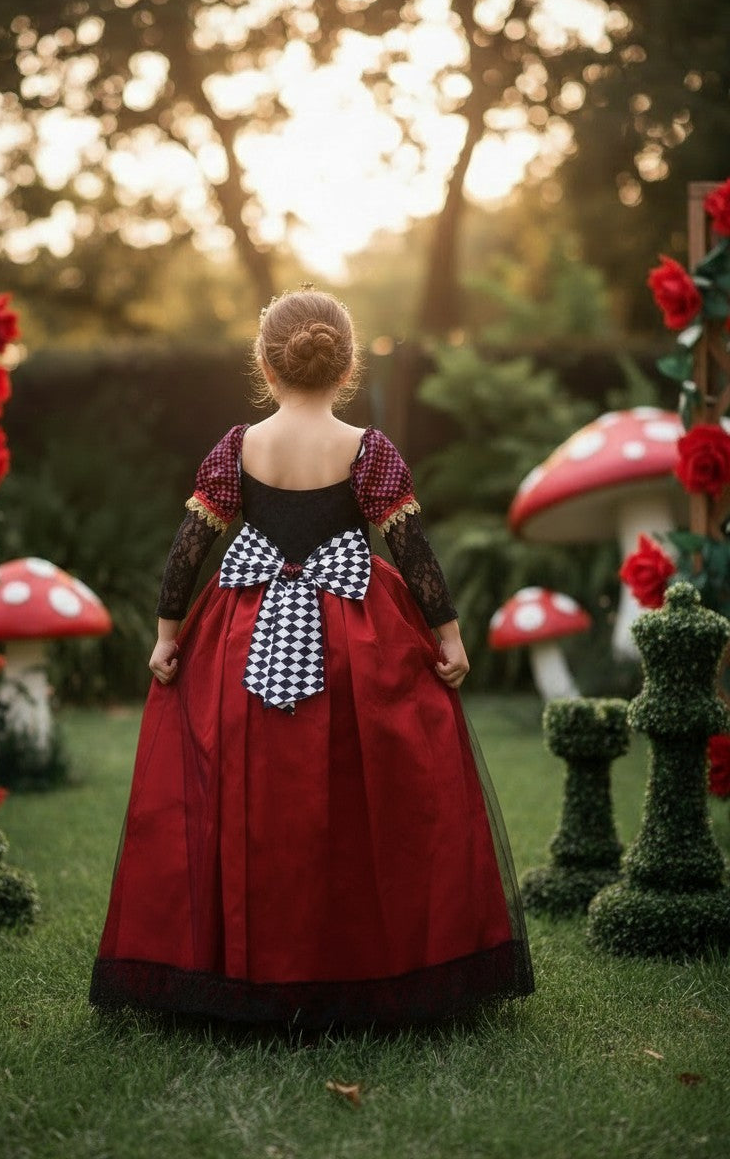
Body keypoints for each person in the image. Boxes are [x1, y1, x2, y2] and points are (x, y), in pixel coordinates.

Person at [89, 288, 534, 1028]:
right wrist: (448, 635)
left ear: (265, 363)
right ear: (347, 365)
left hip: (244, 628)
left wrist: (168, 634)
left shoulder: (237, 448)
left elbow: (188, 549)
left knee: (250, 792)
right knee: (363, 791)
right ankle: (359, 960)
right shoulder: (369, 451)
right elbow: (413, 551)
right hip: (356, 635)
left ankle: (246, 968)